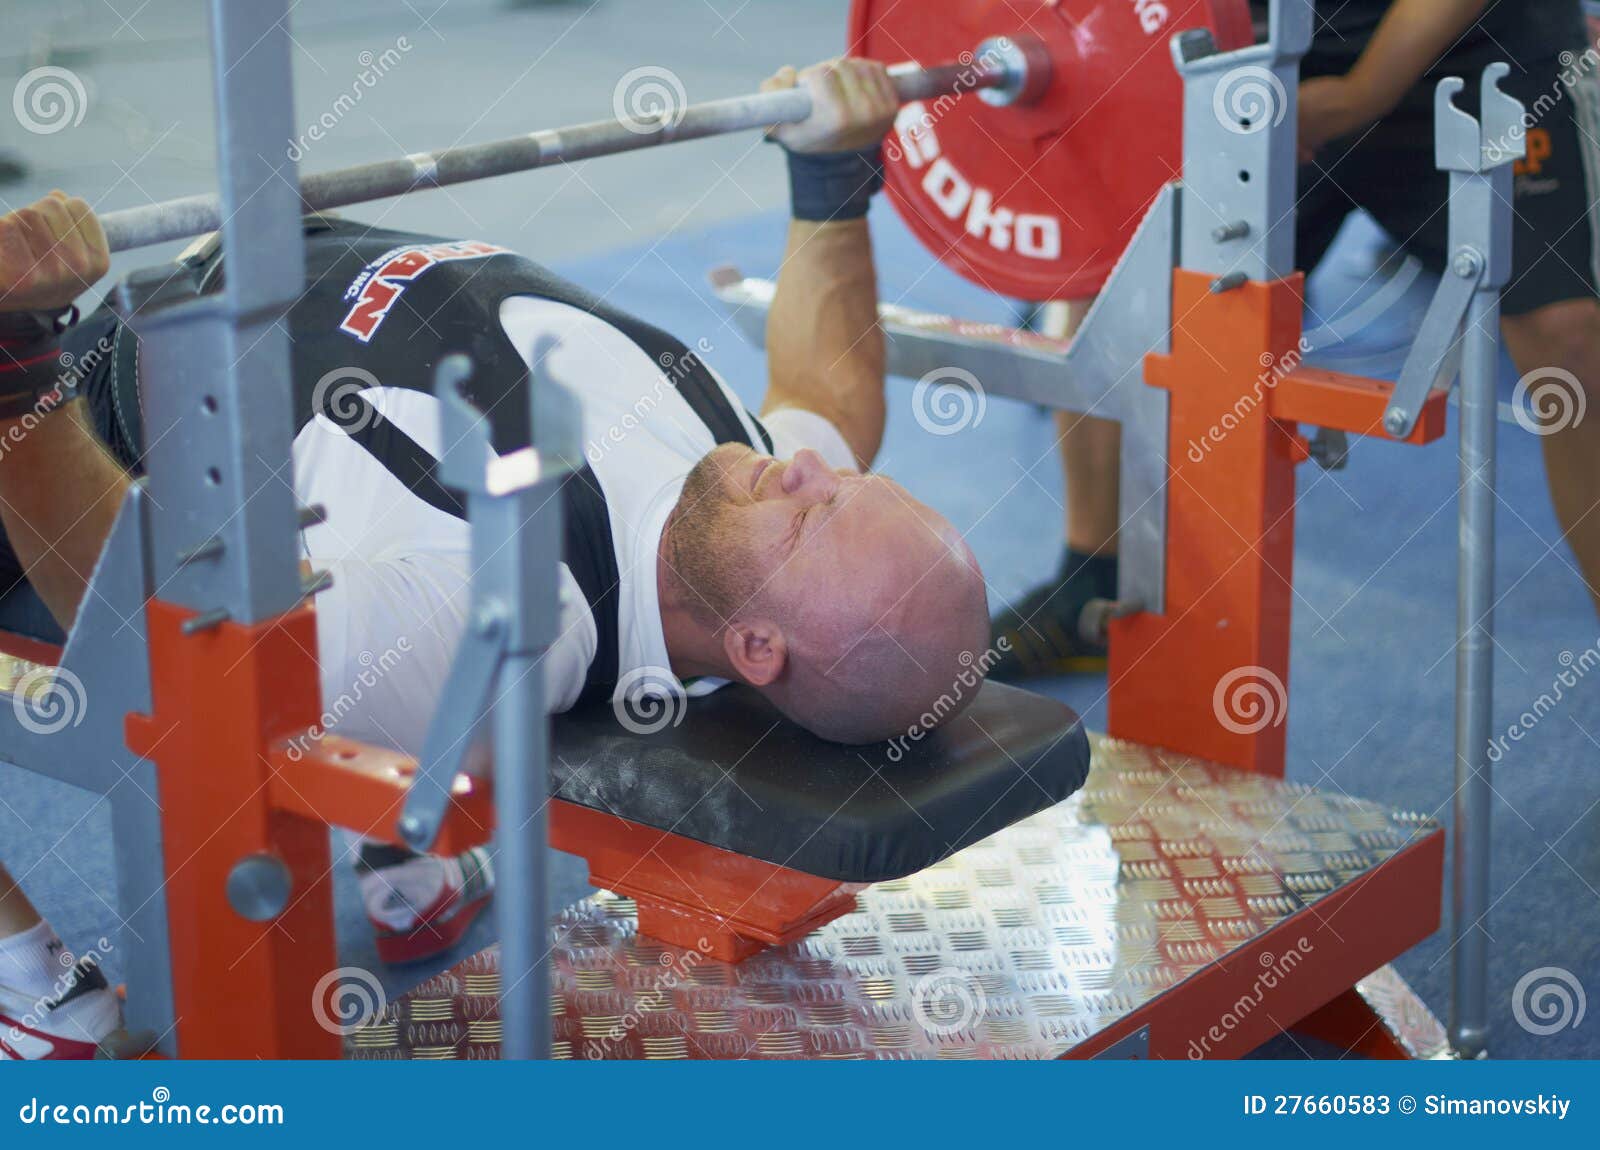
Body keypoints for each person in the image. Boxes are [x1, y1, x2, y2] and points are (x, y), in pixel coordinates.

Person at [0, 57, 991, 1056]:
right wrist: (832, 174)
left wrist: (17, 357)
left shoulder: (503, 612)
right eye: (848, 483)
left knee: (347, 676)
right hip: (268, 264)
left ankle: (38, 988)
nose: (810, 471)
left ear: (759, 647)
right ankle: (408, 864)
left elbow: (148, 627)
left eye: (820, 515)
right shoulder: (745, 490)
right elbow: (834, 386)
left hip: (112, 420)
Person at [992, 0, 1600, 680]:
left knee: (1567, 335)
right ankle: (1091, 582)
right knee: (1113, 276)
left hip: (1472, 47)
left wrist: (1364, 91)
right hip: (1259, 45)